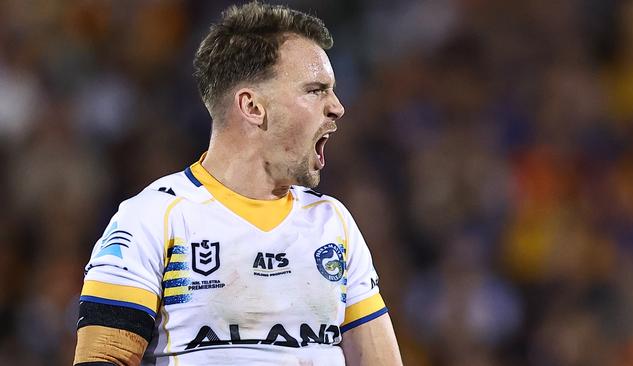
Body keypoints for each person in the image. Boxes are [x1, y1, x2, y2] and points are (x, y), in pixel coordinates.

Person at [73, 2, 403, 365]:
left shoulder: (333, 225)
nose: (337, 107)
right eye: (315, 90)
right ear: (252, 106)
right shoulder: (153, 220)